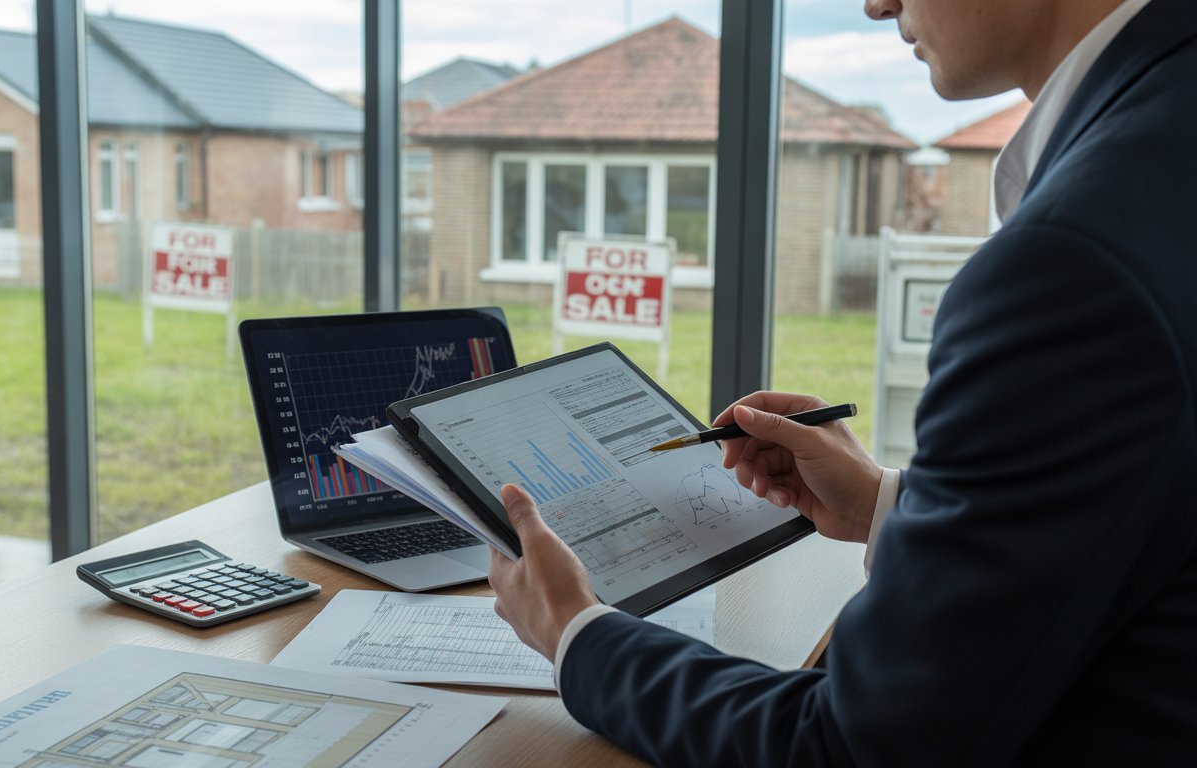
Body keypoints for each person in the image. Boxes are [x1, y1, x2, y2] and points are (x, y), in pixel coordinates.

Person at [487, 0, 1197, 763]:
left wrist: (575, 632)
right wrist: (887, 505)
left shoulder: (1070, 264)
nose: (875, 4)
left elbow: (850, 747)